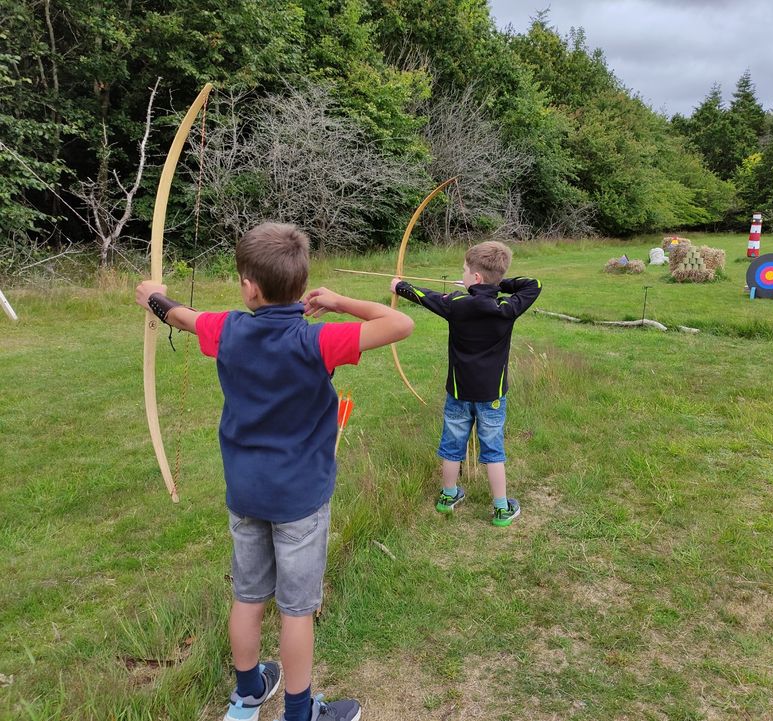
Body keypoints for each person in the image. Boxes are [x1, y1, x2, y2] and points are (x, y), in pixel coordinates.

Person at [136, 222, 413, 721]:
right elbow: (400, 326)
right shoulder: (316, 342)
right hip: (300, 500)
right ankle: (300, 712)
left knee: (247, 597)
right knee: (295, 609)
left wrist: (156, 297)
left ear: (249, 286)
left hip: (246, 493)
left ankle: (247, 694)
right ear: (302, 288)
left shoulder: (228, 329)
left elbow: (182, 316)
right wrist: (341, 301)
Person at [391, 240, 541, 527]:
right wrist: (493, 285)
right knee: (493, 450)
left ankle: (448, 496)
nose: (462, 273)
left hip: (459, 393)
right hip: (492, 396)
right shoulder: (506, 307)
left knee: (452, 445)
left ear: (475, 277)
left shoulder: (457, 304)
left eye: (465, 270)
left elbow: (427, 296)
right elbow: (533, 284)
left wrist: (401, 287)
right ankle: (501, 508)